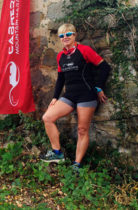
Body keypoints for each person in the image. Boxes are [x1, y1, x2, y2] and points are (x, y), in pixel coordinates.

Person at [41, 23, 111, 171]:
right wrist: (55, 98)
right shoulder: (60, 56)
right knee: (47, 118)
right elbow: (60, 79)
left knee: (82, 129)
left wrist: (99, 87)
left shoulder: (84, 50)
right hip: (70, 95)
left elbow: (104, 67)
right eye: (61, 35)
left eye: (68, 34)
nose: (64, 38)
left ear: (74, 35)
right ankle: (57, 153)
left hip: (87, 95)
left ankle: (77, 165)